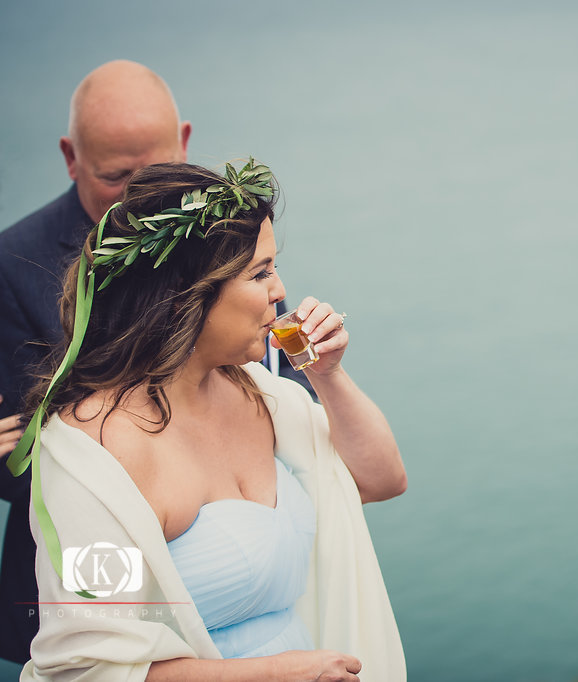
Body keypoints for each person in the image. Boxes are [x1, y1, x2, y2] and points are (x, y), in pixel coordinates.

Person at [14, 159, 407, 680]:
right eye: (260, 272)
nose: (279, 290)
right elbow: (89, 670)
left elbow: (381, 480)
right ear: (187, 294)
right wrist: (276, 673)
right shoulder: (95, 457)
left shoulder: (264, 396)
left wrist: (328, 376)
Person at [0, 60, 306, 663]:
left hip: (252, 577)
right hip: (86, 579)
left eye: (154, 167)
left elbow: (290, 394)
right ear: (70, 157)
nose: (141, 195)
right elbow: (24, 450)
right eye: (116, 176)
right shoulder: (13, 265)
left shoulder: (223, 236)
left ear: (185, 142)